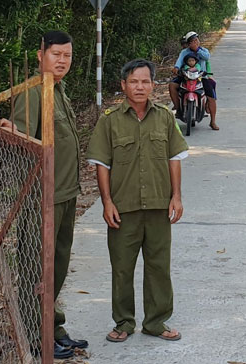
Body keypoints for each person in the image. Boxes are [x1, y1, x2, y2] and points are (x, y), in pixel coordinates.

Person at [87, 58, 188, 343]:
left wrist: (176, 197)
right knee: (122, 267)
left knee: (159, 266)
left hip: (159, 206)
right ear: (123, 85)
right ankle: (123, 322)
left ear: (153, 84)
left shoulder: (166, 117)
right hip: (123, 207)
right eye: (134, 81)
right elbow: (101, 164)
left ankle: (157, 321)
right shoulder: (110, 121)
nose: (140, 87)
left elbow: (175, 158)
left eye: (145, 81)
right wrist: (107, 202)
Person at [7, 30, 87, 360]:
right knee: (36, 269)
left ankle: (53, 326)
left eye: (67, 56)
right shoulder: (33, 91)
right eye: (56, 54)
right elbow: (23, 139)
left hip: (65, 195)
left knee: (57, 268)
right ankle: (35, 335)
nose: (63, 61)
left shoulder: (58, 89)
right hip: (42, 197)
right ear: (40, 55)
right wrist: (9, 129)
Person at [169, 30, 219, 130]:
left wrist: (197, 50)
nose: (195, 42)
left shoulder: (204, 51)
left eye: (196, 40)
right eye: (192, 41)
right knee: (172, 86)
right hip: (186, 76)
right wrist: (176, 68)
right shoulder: (184, 52)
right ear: (188, 43)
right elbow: (178, 63)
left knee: (211, 96)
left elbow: (206, 57)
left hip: (201, 77)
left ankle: (212, 121)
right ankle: (178, 108)